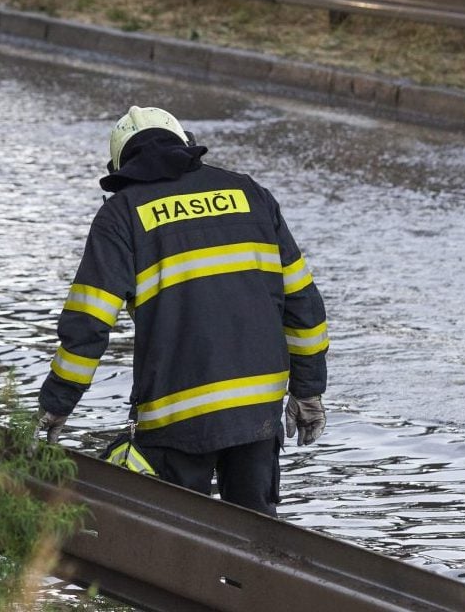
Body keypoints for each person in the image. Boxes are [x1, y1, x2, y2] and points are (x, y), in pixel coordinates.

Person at [37, 106, 330, 516]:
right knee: (257, 538)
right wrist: (308, 390)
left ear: (121, 166)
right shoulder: (251, 194)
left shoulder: (122, 214)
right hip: (256, 411)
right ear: (186, 144)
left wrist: (58, 401)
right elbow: (302, 302)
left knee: (173, 536)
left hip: (177, 413)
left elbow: (89, 322)